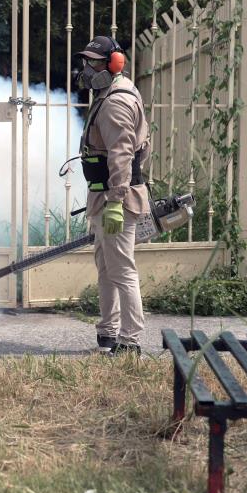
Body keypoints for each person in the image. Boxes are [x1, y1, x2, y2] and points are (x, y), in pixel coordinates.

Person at [74, 35, 150, 355]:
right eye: (87, 61)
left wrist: (117, 201)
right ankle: (108, 330)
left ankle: (130, 340)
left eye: (95, 62)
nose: (88, 68)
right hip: (106, 195)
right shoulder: (109, 92)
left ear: (114, 64)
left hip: (116, 197)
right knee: (107, 268)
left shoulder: (116, 100)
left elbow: (121, 154)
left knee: (121, 269)